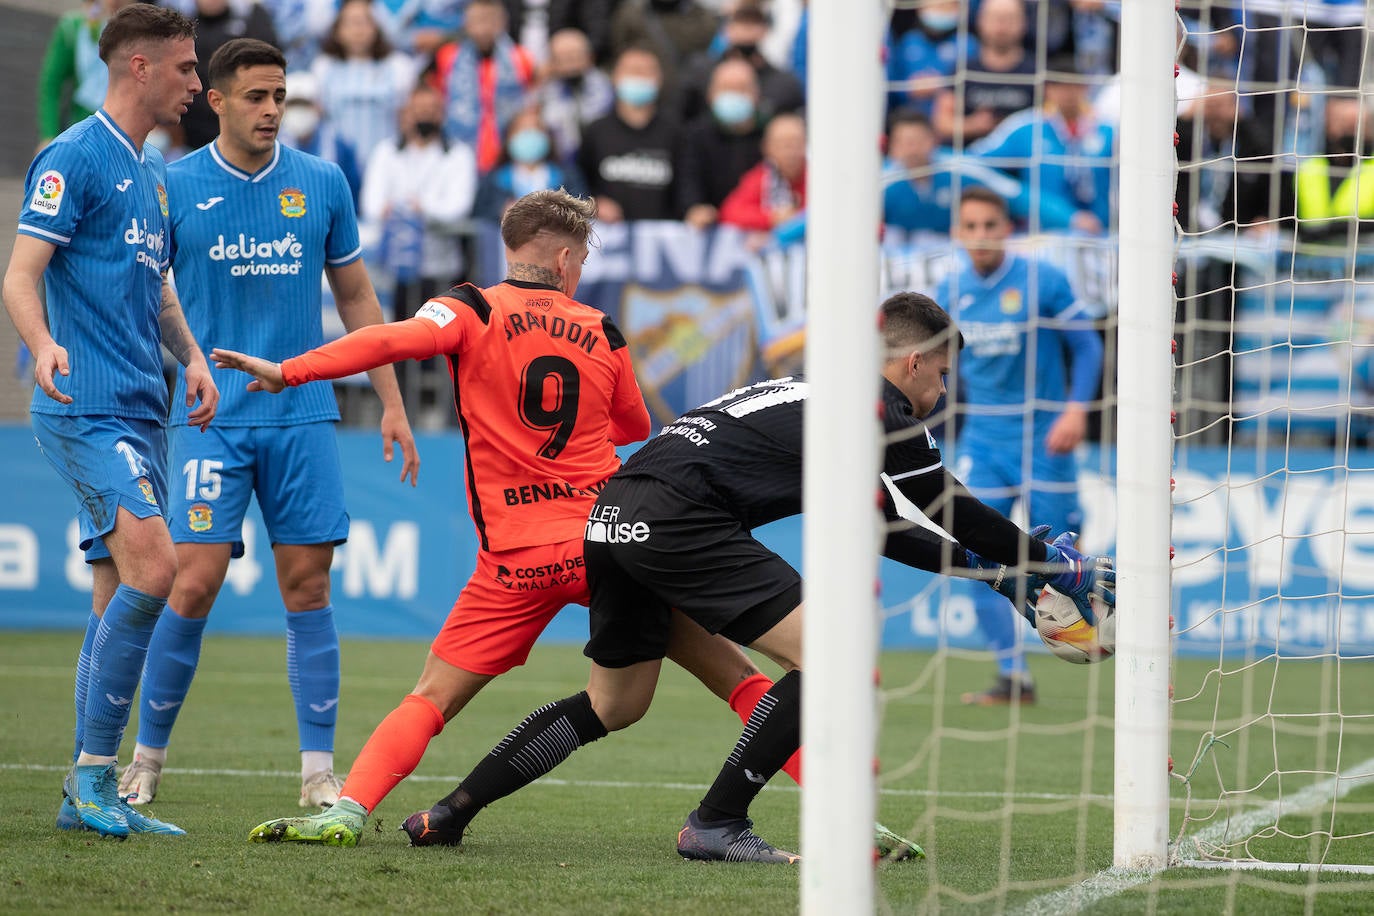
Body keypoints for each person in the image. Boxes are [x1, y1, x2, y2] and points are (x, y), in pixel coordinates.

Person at [385, 291, 1114, 861]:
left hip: (611, 518)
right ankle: (717, 823)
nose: (944, 393)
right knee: (830, 653)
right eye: (944, 374)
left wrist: (991, 572)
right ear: (914, 362)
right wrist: (1049, 564)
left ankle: (451, 812)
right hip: (680, 520)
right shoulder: (879, 408)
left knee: (615, 702)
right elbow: (946, 506)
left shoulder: (809, 396)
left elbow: (886, 527)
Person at [206, 190, 763, 848]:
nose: (579, 271)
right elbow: (635, 425)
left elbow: (392, 339)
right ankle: (848, 817)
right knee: (737, 677)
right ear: (562, 258)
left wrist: (290, 371)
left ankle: (348, 810)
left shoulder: (468, 307)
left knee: (432, 697)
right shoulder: (601, 328)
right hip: (610, 543)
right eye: (580, 259)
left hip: (517, 559)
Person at [116, 38, 419, 811]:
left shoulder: (320, 182)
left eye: (280, 95)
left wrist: (389, 399)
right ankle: (146, 759)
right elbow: (146, 293)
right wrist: (178, 366)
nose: (273, 110)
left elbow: (355, 299)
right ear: (215, 100)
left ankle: (318, 772)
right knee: (192, 583)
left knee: (307, 585)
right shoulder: (174, 185)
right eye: (256, 96)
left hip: (304, 415)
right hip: (213, 417)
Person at [2, 3, 216, 838]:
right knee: (157, 567)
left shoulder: (154, 168)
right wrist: (44, 343)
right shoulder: (72, 157)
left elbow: (157, 282)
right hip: (82, 404)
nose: (198, 84)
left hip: (142, 406)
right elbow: (20, 276)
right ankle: (92, 780)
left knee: (117, 588)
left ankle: (87, 789)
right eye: (188, 68)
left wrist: (191, 355)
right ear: (140, 68)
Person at [938, 187, 1103, 705]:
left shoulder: (1042, 279)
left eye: (991, 225)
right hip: (983, 441)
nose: (982, 235)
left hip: (1044, 436)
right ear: (958, 233)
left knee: (1060, 556)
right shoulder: (950, 288)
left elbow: (1087, 344)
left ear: (1006, 229)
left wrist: (1076, 409)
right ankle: (1013, 676)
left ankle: (1105, 634)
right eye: (972, 226)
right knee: (972, 554)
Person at [970, 54, 1115, 235]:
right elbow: (974, 164)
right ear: (1047, 90)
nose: (1068, 93)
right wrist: (1016, 195)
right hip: (1039, 237)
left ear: (1085, 88)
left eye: (1074, 85)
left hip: (1101, 236)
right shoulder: (1025, 127)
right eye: (1060, 86)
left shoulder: (1107, 130)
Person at [428, 0, 536, 174]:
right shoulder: (448, 57)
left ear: (502, 23)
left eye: (490, 20)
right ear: (466, 24)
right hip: (459, 153)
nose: (483, 28)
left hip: (507, 154)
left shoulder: (520, 58)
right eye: (477, 21)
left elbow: (529, 104)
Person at [577, 46, 681, 224]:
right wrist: (593, 204)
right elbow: (578, 184)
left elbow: (686, 190)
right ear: (615, 77)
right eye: (632, 71)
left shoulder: (676, 133)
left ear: (659, 80)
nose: (639, 77)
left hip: (660, 238)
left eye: (647, 72)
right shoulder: (596, 131)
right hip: (607, 239)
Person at [310, 0, 421, 167]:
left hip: (385, 166)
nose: (358, 30)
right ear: (337, 29)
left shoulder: (399, 66)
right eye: (350, 23)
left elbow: (407, 120)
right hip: (337, 164)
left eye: (365, 22)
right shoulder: (323, 67)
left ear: (377, 26)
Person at [676, 56, 766, 230]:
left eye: (741, 89)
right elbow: (687, 180)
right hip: (710, 229)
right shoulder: (695, 135)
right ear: (710, 94)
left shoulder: (769, 134)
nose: (733, 95)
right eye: (726, 88)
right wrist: (693, 208)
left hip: (756, 227)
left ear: (756, 94)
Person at [36, 0, 139, 150]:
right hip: (83, 126)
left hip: (130, 130)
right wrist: (49, 135)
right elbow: (51, 83)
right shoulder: (73, 28)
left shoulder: (141, 31)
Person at [931, 0, 1036, 145]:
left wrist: (1012, 129)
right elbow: (942, 123)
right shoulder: (962, 70)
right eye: (995, 18)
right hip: (970, 159)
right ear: (980, 21)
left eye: (1009, 18)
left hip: (1023, 160)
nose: (1001, 26)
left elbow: (1052, 122)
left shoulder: (1037, 72)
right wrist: (973, 125)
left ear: (1024, 23)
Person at [181, 0, 279, 150]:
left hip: (240, 122)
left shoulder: (250, 19)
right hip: (193, 127)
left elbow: (270, 62)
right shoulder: (181, 29)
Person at [473, 107, 586, 221]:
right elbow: (478, 216)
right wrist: (501, 212)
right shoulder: (493, 180)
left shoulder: (567, 176)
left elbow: (583, 210)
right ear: (508, 137)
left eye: (536, 129)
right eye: (522, 129)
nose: (529, 134)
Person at [718, 111, 805, 245]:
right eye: (784, 145)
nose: (791, 152)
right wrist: (772, 218)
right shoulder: (761, 178)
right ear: (767, 148)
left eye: (796, 144)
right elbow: (730, 212)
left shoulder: (817, 177)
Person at [536, 28, 615, 168]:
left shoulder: (608, 89)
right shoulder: (543, 93)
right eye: (563, 58)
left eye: (575, 56)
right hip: (560, 164)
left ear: (590, 57)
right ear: (552, 62)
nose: (571, 65)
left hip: (602, 161)